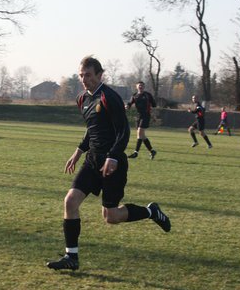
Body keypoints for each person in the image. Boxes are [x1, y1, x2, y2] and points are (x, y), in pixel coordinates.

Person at [46, 56, 171, 271]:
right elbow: (92, 130)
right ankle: (71, 257)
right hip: (92, 160)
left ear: (99, 75)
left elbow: (124, 131)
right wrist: (78, 152)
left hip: (113, 162)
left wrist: (113, 156)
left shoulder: (109, 97)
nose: (84, 80)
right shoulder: (82, 99)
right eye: (81, 76)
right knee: (70, 201)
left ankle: (151, 212)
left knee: (111, 217)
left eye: (88, 75)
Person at [125, 81, 158, 160]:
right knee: (141, 136)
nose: (141, 86)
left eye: (142, 85)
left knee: (140, 132)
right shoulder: (134, 95)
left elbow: (154, 106)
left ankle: (136, 153)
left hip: (146, 116)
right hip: (138, 116)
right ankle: (152, 151)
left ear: (144, 87)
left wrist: (154, 116)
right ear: (136, 87)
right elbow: (129, 103)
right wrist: (127, 106)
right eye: (139, 85)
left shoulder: (147, 95)